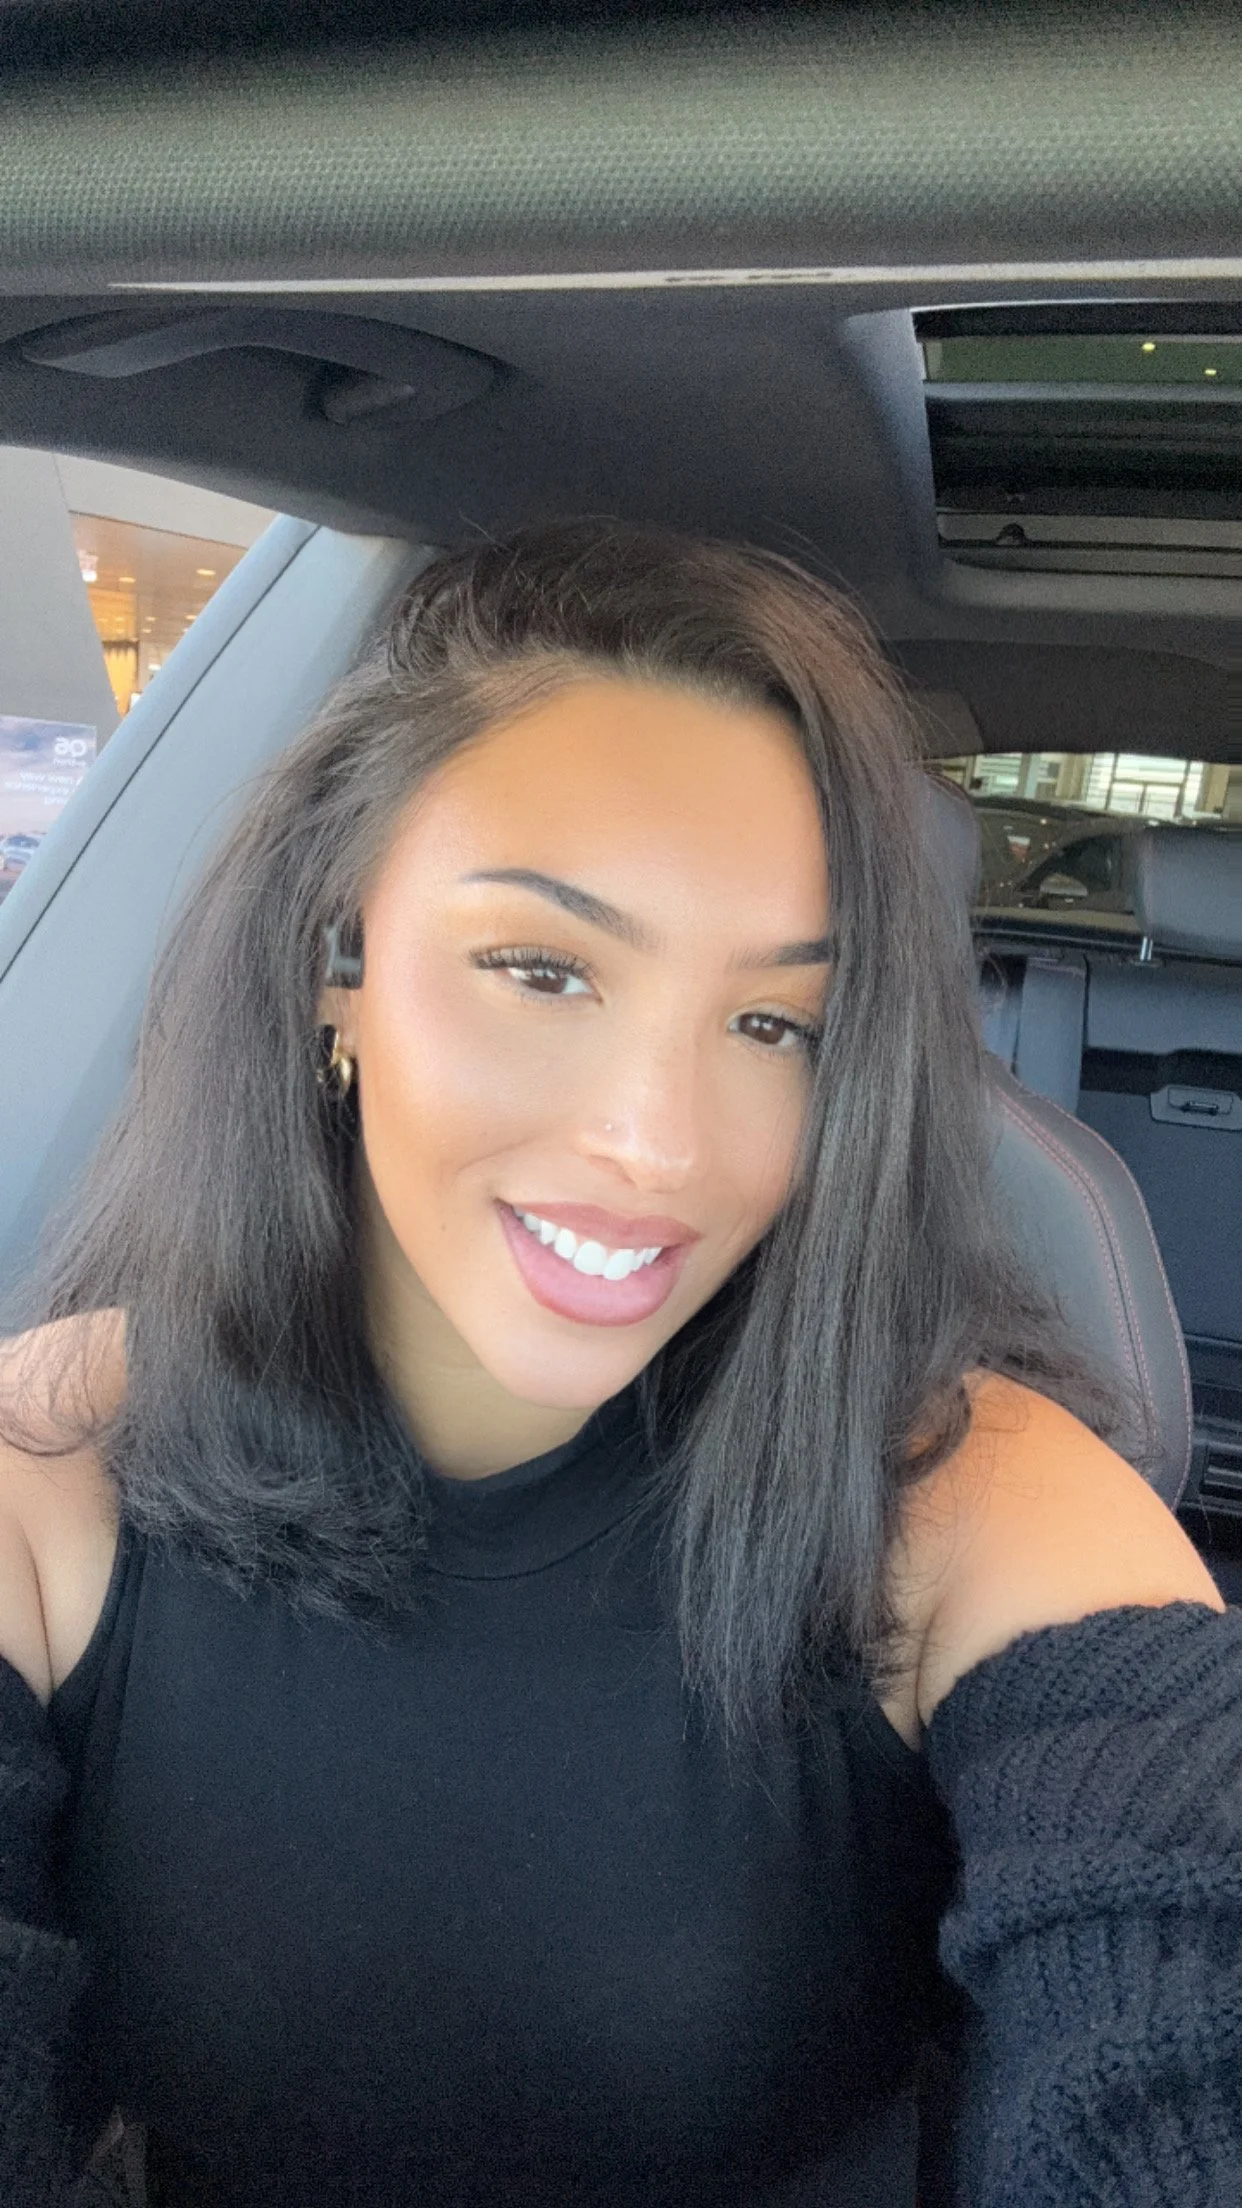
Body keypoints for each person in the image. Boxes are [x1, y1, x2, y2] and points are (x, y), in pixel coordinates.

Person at [0, 522, 1235, 2208]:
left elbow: (1172, 2019)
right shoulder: (47, 1475)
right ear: (334, 970)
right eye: (539, 969)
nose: (657, 1147)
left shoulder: (978, 1503)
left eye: (772, 1025)